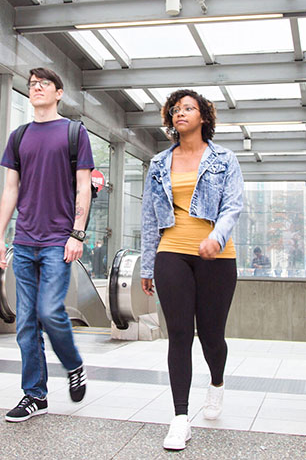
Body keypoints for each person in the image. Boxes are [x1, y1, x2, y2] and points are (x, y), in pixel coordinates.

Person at [141, 89, 244, 451]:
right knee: (180, 334)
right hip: (172, 252)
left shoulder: (224, 158)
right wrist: (149, 263)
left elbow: (233, 206)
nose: (180, 112)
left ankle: (216, 382)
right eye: (175, 109)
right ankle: (180, 418)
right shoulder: (157, 163)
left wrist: (216, 237)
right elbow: (150, 218)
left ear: (203, 117)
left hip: (217, 256)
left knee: (212, 336)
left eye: (188, 108)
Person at [0, 67, 94, 422]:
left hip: (57, 241)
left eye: (43, 84)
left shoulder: (73, 132)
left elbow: (83, 186)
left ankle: (73, 364)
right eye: (32, 85)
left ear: (59, 92)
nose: (36, 88)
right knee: (26, 324)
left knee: (50, 312)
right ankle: (34, 395)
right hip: (24, 240)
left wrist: (77, 233)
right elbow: (10, 190)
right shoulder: (18, 137)